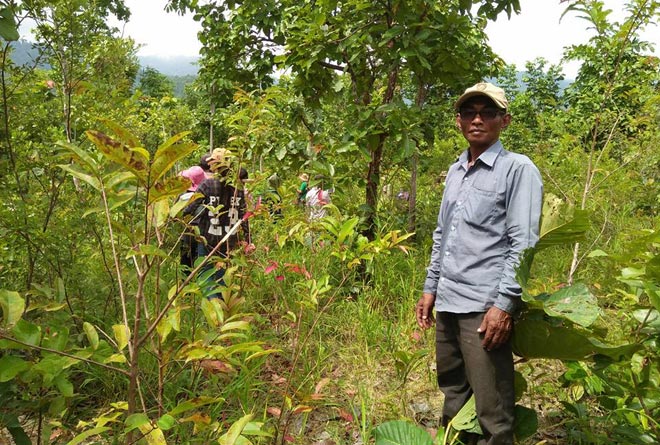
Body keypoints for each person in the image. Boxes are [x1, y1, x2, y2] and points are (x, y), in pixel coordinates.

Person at [415, 82, 543, 445]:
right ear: (458, 120)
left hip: (484, 308)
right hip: (450, 302)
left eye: (487, 112)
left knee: (492, 409)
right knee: (453, 393)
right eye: (469, 112)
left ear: (505, 120)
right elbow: (444, 234)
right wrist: (430, 288)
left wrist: (504, 305)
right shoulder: (456, 170)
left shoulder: (517, 169)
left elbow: (523, 243)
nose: (477, 119)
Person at [185, 148, 251, 299]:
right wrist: (248, 239)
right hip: (229, 240)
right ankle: (222, 307)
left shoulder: (207, 185)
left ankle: (214, 307)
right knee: (222, 275)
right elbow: (244, 216)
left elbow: (190, 208)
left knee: (206, 273)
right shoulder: (238, 189)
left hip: (208, 238)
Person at [177, 166, 207, 273]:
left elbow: (176, 214)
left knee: (185, 263)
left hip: (187, 232)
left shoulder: (183, 196)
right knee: (201, 264)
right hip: (203, 234)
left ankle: (184, 285)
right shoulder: (207, 195)